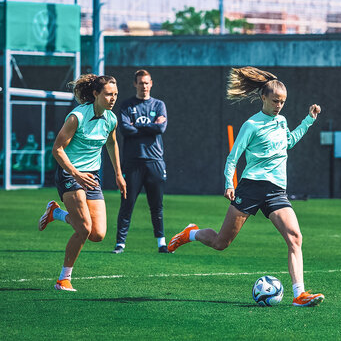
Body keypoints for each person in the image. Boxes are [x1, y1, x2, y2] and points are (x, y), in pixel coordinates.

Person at [167, 66, 325, 307]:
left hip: (276, 191)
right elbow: (233, 156)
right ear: (263, 98)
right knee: (221, 243)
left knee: (295, 237)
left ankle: (299, 294)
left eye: (282, 102)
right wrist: (229, 182)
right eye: (275, 101)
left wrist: (308, 121)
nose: (279, 106)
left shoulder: (282, 122)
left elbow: (288, 142)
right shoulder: (251, 125)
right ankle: (191, 233)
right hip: (250, 188)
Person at [38, 74, 126, 291]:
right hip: (70, 174)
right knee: (84, 228)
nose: (112, 99)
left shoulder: (111, 119)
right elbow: (57, 150)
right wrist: (75, 173)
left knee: (98, 234)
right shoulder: (76, 117)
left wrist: (118, 174)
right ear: (96, 94)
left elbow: (111, 144)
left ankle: (55, 213)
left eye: (115, 94)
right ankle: (63, 279)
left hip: (91, 177)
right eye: (108, 94)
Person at [113, 70, 169, 254]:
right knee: (127, 204)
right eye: (140, 83)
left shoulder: (159, 105)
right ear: (135, 84)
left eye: (146, 83)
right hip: (133, 162)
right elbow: (125, 130)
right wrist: (149, 127)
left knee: (157, 206)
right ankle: (120, 243)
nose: (143, 86)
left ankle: (161, 243)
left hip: (154, 161)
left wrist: (137, 126)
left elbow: (160, 128)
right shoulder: (127, 105)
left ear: (151, 83)